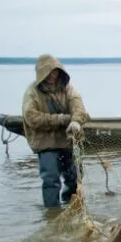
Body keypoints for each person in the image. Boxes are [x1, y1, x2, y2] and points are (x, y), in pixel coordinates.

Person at [22, 54, 90, 209]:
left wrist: (75, 121)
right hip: (46, 143)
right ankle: (52, 214)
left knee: (74, 177)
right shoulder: (32, 92)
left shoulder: (68, 88)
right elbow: (32, 118)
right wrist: (62, 119)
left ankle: (71, 206)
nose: (53, 75)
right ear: (41, 74)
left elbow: (79, 108)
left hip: (68, 139)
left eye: (55, 72)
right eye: (49, 72)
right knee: (51, 179)